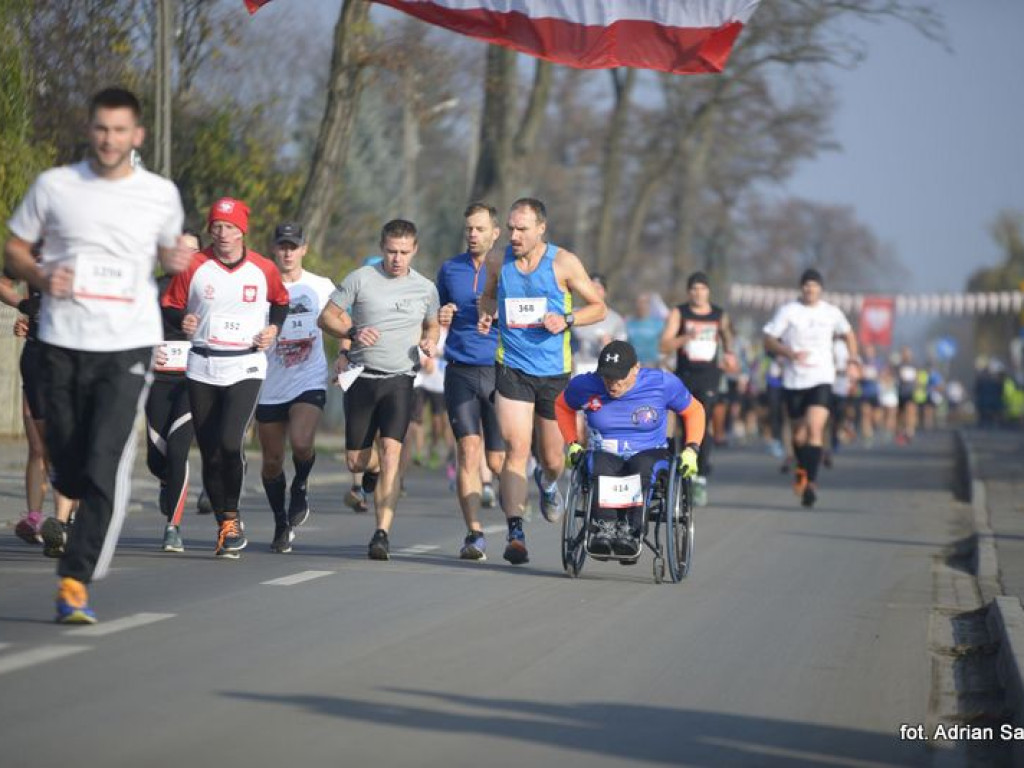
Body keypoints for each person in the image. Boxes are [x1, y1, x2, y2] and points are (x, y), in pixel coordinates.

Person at [3, 87, 189, 623]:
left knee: (104, 462)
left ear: (137, 136)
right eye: (101, 129)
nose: (110, 139)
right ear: (91, 130)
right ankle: (67, 482)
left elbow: (165, 249)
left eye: (120, 130)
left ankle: (75, 581)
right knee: (67, 459)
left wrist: (173, 254)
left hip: (126, 343)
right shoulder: (55, 186)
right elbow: (14, 247)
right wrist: (39, 274)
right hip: (61, 339)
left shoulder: (160, 193)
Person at [477, 197, 606, 565]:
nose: (514, 236)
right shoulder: (497, 262)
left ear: (541, 229)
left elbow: (599, 308)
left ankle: (548, 484)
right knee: (515, 449)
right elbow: (487, 299)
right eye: (512, 229)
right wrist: (486, 315)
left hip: (554, 373)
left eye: (522, 229)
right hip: (512, 367)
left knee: (552, 458)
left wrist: (566, 319)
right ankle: (516, 530)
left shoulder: (563, 263)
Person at [161, 197, 290, 559]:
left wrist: (274, 329)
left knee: (231, 442)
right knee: (211, 452)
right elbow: (170, 304)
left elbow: (281, 301)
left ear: (242, 231)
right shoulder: (194, 265)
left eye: (230, 227)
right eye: (216, 226)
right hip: (202, 363)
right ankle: (225, 524)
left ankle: (231, 517)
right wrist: (180, 322)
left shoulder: (263, 269)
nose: (222, 234)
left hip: (245, 364)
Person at [318, 219, 440, 560]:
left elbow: (432, 324)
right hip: (361, 377)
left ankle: (381, 533)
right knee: (357, 462)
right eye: (390, 251)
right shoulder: (361, 278)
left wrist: (431, 340)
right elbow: (326, 318)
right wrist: (354, 332)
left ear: (414, 250)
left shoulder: (426, 288)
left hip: (400, 379)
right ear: (381, 247)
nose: (397, 259)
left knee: (391, 453)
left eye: (403, 252)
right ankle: (369, 471)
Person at [554, 341, 705, 560]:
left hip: (649, 451)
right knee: (599, 465)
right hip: (604, 451)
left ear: (636, 368)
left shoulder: (661, 383)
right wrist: (572, 442)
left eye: (619, 377)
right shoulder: (585, 385)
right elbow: (562, 405)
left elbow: (694, 410)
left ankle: (631, 530)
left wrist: (692, 449)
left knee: (641, 466)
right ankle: (603, 527)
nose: (612, 384)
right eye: (607, 377)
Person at [255, 222, 336, 553]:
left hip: (308, 377)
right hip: (270, 380)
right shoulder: (259, 285)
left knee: (302, 443)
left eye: (294, 246)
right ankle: (280, 522)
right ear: (274, 248)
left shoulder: (321, 286)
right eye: (282, 246)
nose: (288, 252)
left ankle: (301, 483)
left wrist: (347, 351)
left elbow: (339, 320)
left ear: (304, 248)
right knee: (272, 461)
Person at [436, 203, 506, 560]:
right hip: (460, 369)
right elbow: (435, 313)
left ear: (495, 232)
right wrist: (441, 315)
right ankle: (474, 533)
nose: (473, 235)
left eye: (480, 229)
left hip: (498, 370)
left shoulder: (510, 269)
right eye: (469, 229)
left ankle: (514, 522)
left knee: (496, 462)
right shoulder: (450, 269)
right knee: (468, 451)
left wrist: (498, 316)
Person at [762, 269, 859, 508]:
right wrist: (788, 352)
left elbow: (849, 335)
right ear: (801, 288)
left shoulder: (831, 312)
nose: (810, 290)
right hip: (794, 380)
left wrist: (853, 359)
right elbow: (768, 339)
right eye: (806, 286)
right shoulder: (788, 311)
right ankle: (802, 469)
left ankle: (811, 484)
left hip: (822, 377)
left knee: (815, 429)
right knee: (798, 435)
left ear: (821, 289)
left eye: (814, 286)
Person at [659, 271, 736, 507]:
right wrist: (685, 337)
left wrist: (730, 355)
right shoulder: (679, 313)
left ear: (708, 291)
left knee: (706, 423)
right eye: (693, 289)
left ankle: (700, 476)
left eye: (702, 288)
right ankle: (687, 472)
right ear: (688, 292)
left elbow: (727, 337)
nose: (698, 293)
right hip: (686, 374)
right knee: (683, 425)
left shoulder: (718, 314)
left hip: (710, 376)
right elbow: (664, 344)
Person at [146, 229, 201, 553]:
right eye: (179, 249)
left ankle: (173, 526)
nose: (185, 256)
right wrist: (148, 349)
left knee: (179, 450)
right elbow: (130, 329)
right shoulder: (152, 288)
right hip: (157, 379)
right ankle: (167, 479)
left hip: (193, 379)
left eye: (193, 251)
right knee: (157, 457)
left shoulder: (206, 289)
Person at [570, 273, 627, 374]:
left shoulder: (616, 319)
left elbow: (622, 352)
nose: (594, 291)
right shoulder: (573, 314)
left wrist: (610, 346)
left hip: (603, 371)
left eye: (598, 288)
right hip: (575, 370)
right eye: (591, 287)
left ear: (605, 292)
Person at [625, 292, 665, 368]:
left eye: (645, 302)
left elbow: (667, 346)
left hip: (653, 365)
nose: (642, 305)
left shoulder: (659, 324)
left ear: (649, 305)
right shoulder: (627, 323)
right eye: (639, 302)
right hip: (633, 366)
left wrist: (663, 361)